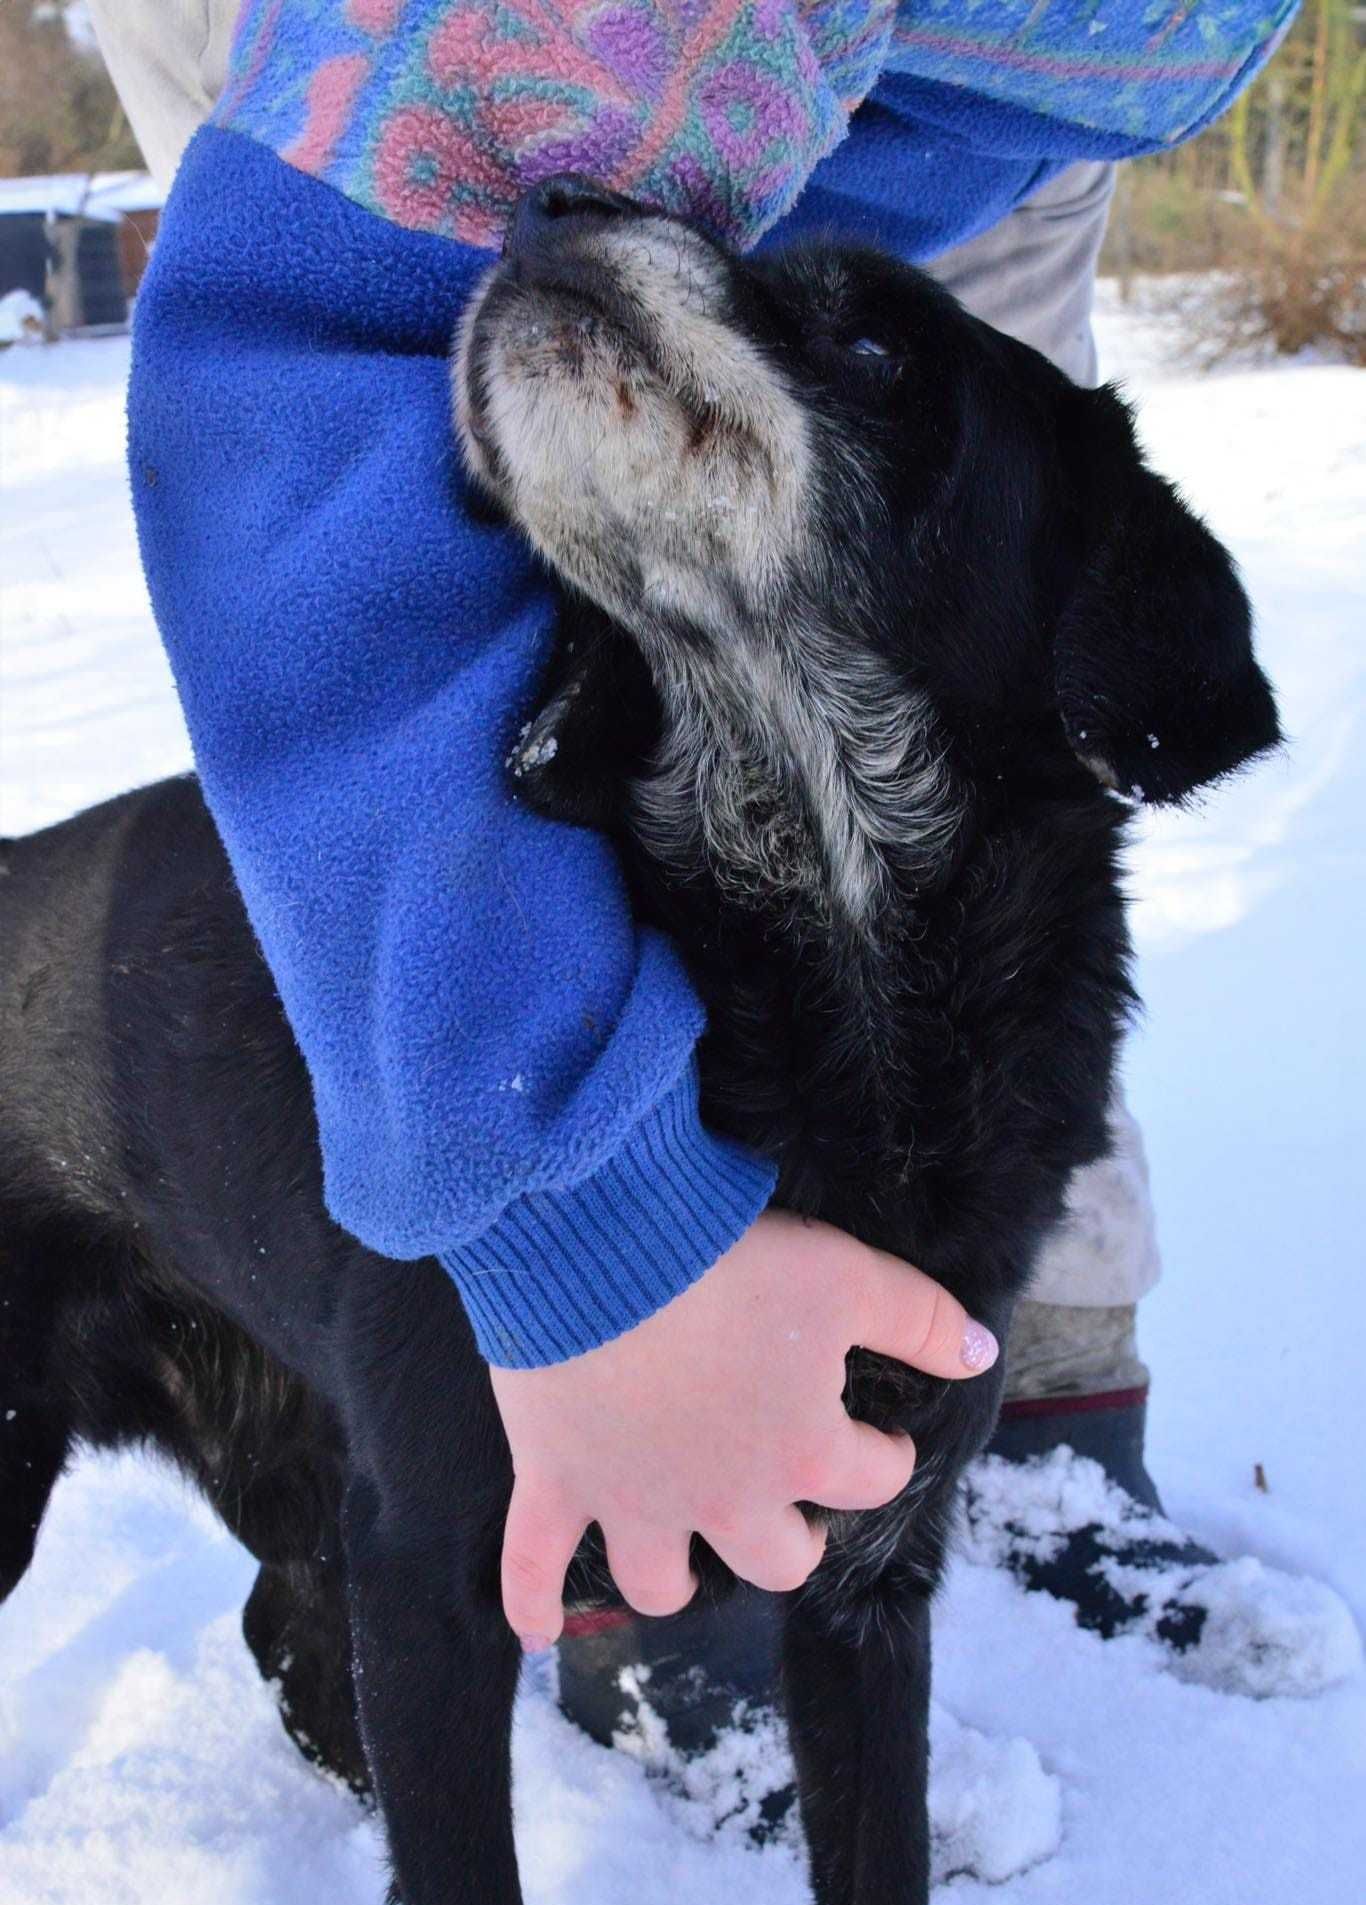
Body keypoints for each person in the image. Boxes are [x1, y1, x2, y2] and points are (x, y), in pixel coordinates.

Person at [88, 0, 1349, 1751]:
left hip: (974, 97)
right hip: (426, 97)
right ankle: (632, 1506)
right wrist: (578, 1224)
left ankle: (1011, 1397)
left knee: (946, 670)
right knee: (544, 559)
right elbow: (306, 403)